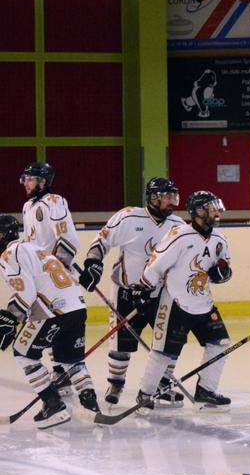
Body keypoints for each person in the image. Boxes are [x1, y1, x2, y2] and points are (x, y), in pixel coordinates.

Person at [78, 177, 186, 407]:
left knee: (169, 342)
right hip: (126, 292)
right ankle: (116, 383)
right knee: (121, 344)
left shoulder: (178, 225)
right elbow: (102, 241)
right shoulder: (128, 217)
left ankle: (162, 384)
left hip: (160, 294)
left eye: (174, 197)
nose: (172, 202)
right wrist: (93, 263)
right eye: (167, 197)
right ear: (153, 198)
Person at [128, 191, 234, 414]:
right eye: (211, 208)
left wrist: (222, 274)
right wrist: (144, 290)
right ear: (198, 212)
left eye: (217, 207)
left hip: (204, 304)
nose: (216, 212)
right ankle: (145, 394)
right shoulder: (179, 236)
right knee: (163, 352)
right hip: (175, 303)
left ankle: (206, 391)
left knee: (220, 343)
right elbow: (155, 266)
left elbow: (225, 269)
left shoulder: (220, 239)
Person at [0, 214, 97, 428]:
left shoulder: (8, 255)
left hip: (52, 311)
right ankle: (91, 403)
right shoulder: (34, 248)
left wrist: (11, 317)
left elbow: (25, 292)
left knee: (23, 352)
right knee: (71, 360)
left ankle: (53, 405)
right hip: (77, 307)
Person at [20, 162, 80, 394]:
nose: (26, 183)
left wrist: (59, 267)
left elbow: (67, 237)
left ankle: (64, 372)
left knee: (57, 323)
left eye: (30, 179)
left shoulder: (54, 201)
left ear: (43, 181)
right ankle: (60, 371)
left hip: (54, 278)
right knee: (47, 325)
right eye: (25, 179)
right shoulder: (28, 206)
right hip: (37, 278)